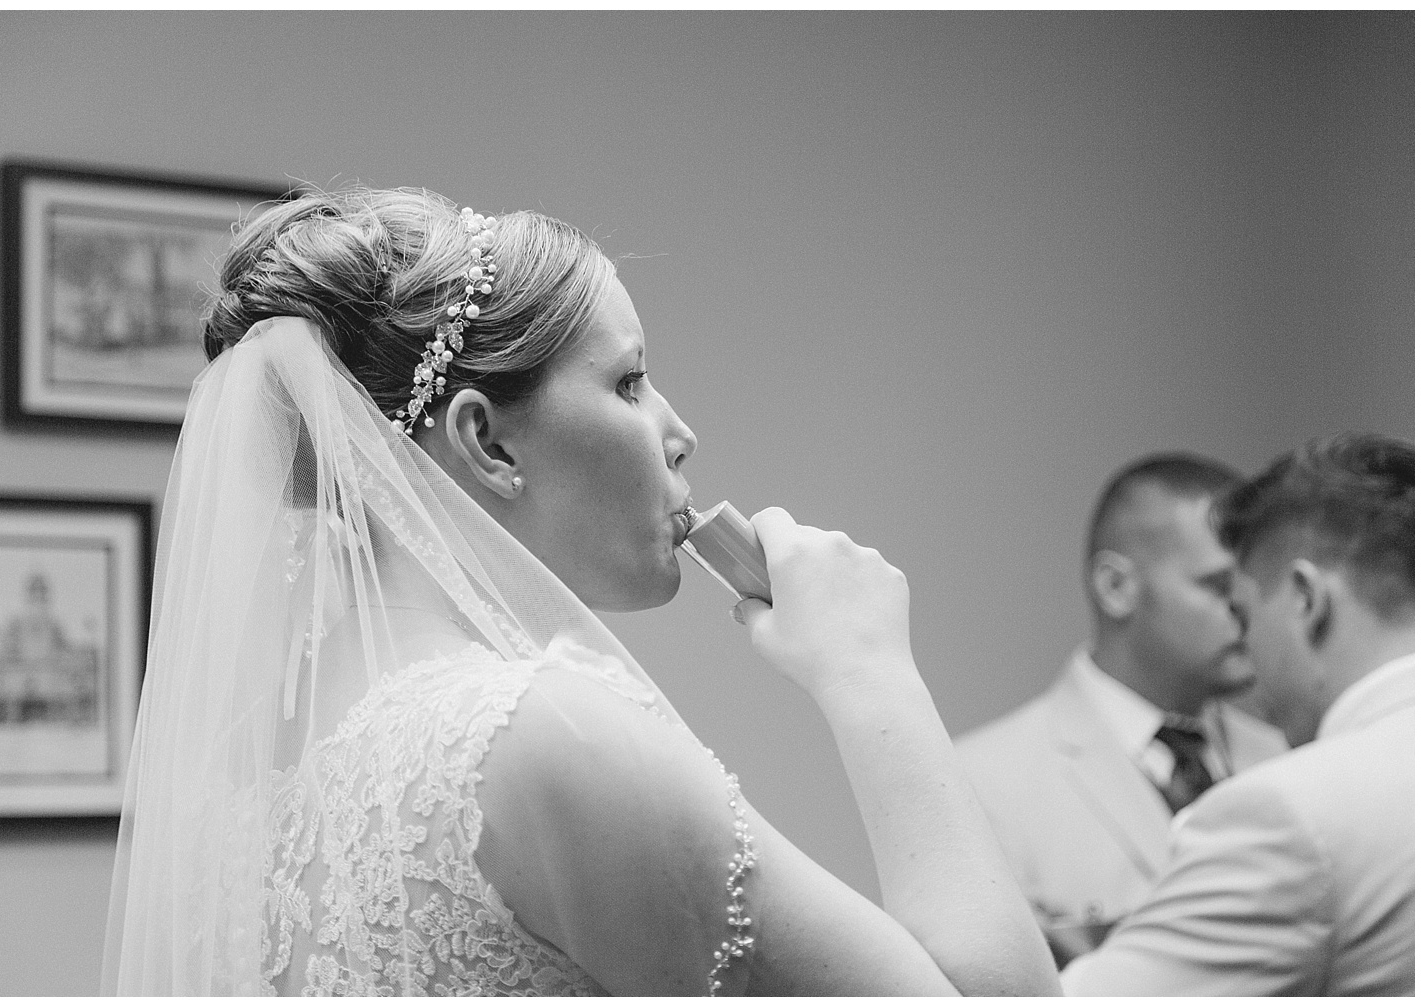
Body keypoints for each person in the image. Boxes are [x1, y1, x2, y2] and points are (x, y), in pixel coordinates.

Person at [100, 187, 1060, 996]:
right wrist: (870, 670)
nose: (680, 430)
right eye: (631, 381)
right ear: (488, 442)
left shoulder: (252, 764)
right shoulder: (532, 731)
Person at [1063, 434, 1413, 996]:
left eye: (1244, 610)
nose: (1242, 641)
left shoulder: (1292, 808)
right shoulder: (984, 776)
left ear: (1305, 598)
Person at [953, 454, 1287, 963]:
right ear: (1116, 587)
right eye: (1218, 587)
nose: (1246, 611)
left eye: (1252, 588)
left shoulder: (1289, 757)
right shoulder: (977, 783)